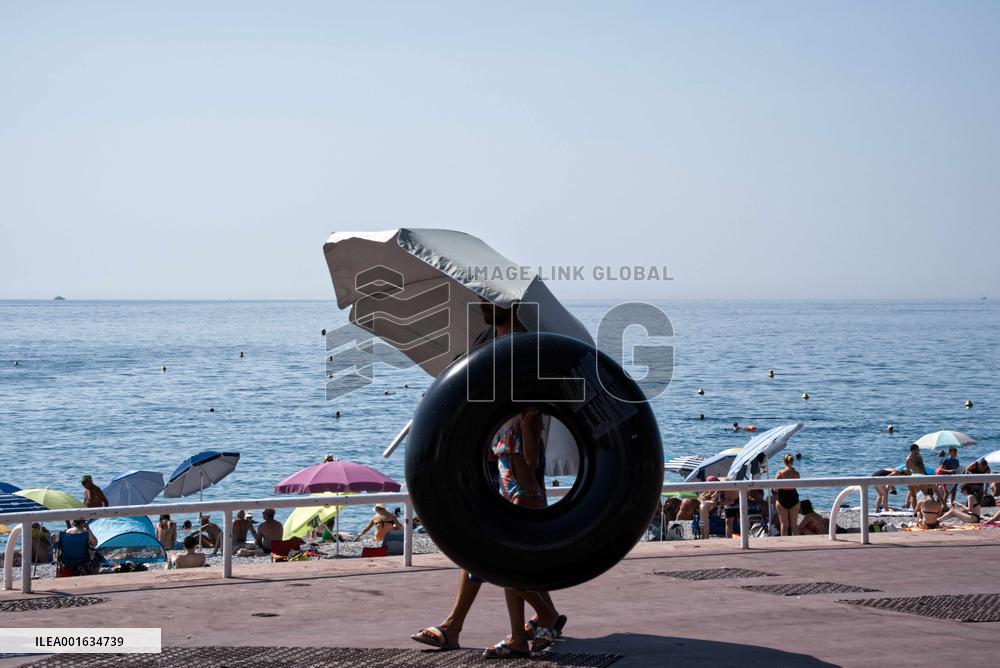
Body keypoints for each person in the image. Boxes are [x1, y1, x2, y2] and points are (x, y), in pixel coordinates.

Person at [775, 453, 800, 536]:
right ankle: (798, 544)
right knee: (794, 525)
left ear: (784, 462)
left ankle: (784, 544)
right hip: (794, 498)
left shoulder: (780, 473)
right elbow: (797, 486)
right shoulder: (797, 473)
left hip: (782, 498)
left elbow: (775, 489)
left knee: (784, 525)